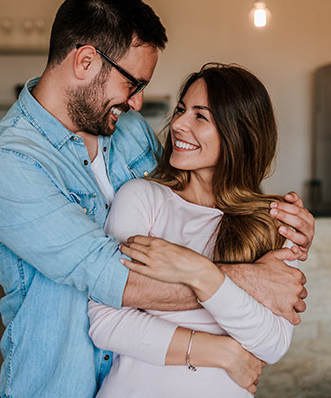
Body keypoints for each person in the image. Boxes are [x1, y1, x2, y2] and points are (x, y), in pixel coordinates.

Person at [0, 0, 314, 398]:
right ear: (85, 60)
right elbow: (116, 280)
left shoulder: (126, 130)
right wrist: (251, 280)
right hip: (60, 386)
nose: (137, 103)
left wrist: (282, 226)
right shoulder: (6, 164)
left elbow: (188, 202)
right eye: (133, 83)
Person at [88, 63, 296, 397]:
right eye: (182, 110)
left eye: (201, 116)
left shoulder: (272, 223)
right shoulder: (143, 198)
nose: (178, 125)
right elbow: (106, 323)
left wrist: (200, 272)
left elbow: (272, 344)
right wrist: (225, 351)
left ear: (238, 133)